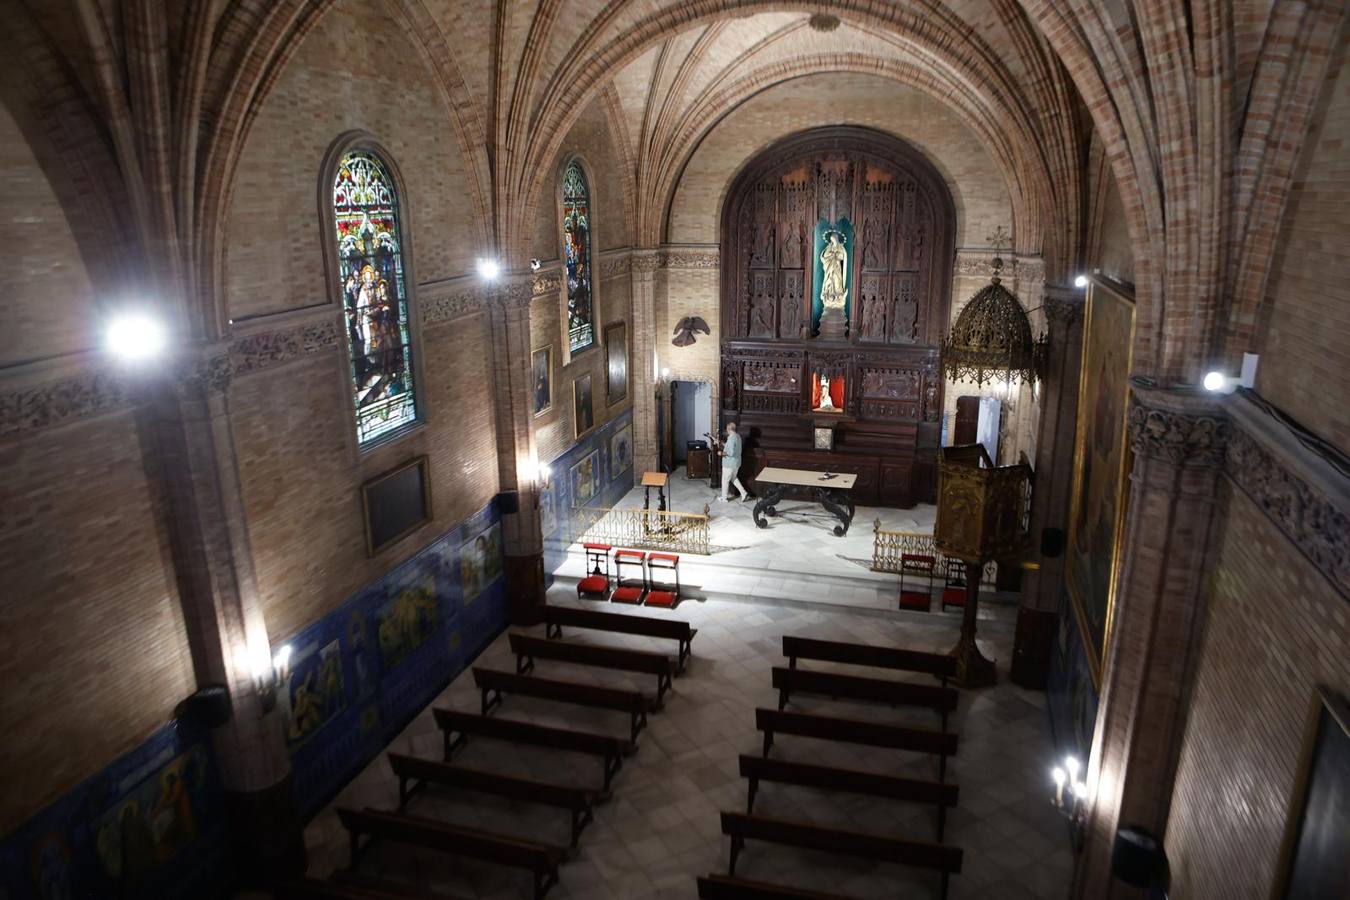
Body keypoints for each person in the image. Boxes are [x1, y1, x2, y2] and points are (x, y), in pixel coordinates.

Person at [719, 422, 751, 502]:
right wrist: (723, 444)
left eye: (727, 428)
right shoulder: (737, 436)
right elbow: (732, 447)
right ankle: (744, 493)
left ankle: (724, 498)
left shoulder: (731, 438)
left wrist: (721, 453)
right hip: (736, 463)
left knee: (725, 480)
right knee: (733, 478)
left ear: (729, 429)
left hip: (729, 464)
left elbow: (731, 452)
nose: (726, 430)